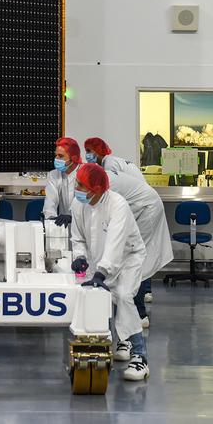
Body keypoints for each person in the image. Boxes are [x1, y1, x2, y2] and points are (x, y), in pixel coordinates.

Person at [69, 162, 149, 381]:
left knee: (123, 295)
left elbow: (115, 244)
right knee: (95, 296)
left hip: (127, 258)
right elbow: (78, 237)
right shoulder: (79, 204)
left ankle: (139, 357)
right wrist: (79, 258)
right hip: (99, 259)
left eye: (80, 185)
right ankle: (117, 342)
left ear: (95, 189)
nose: (76, 188)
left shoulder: (117, 205)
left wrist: (101, 273)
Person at [84, 137, 174, 329]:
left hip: (146, 207)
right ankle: (135, 301)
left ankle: (139, 314)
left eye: (90, 151)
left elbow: (112, 206)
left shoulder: (109, 170)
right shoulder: (108, 171)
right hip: (141, 204)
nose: (88, 155)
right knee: (137, 253)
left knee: (134, 256)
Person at [42, 137, 82, 229]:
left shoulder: (85, 173)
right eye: (55, 155)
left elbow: (89, 207)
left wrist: (73, 218)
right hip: (62, 226)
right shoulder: (54, 174)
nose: (56, 159)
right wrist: (51, 220)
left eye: (60, 156)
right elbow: (50, 203)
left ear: (74, 158)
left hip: (83, 226)